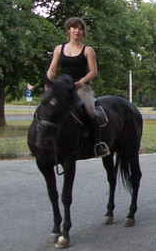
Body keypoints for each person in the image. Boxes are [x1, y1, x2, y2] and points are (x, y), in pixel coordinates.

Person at [46, 17, 110, 157]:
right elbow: (52, 70)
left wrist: (81, 81)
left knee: (90, 110)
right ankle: (43, 141)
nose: (77, 31)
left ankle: (98, 144)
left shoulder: (88, 50)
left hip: (81, 87)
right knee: (44, 107)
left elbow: (93, 71)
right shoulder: (59, 49)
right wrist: (48, 84)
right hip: (63, 87)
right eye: (74, 28)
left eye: (80, 29)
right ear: (69, 29)